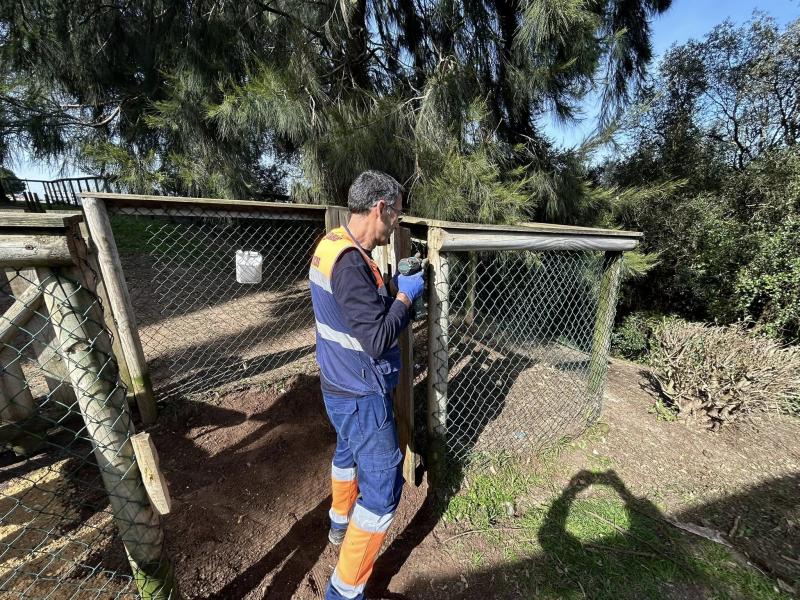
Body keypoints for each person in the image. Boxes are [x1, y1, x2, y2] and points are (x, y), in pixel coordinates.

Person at [308, 171, 425, 600]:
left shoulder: (333, 245)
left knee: (345, 452)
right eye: (395, 215)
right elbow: (376, 340)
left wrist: (394, 286)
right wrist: (406, 298)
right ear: (381, 208)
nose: (395, 225)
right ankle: (343, 591)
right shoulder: (351, 263)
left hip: (337, 385)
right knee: (382, 491)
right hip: (361, 393)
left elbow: (354, 310)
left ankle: (338, 524)